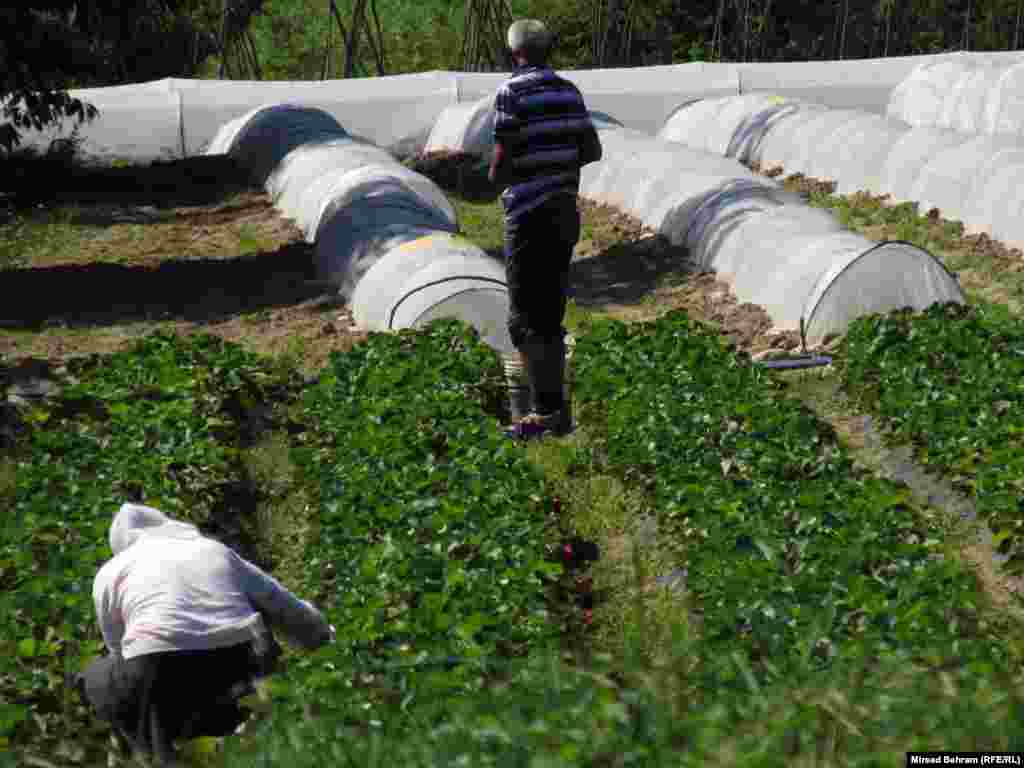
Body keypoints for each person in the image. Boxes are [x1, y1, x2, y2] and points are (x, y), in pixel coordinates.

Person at [75, 502, 334, 765]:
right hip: (239, 658)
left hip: (156, 669)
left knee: (94, 677)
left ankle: (152, 750)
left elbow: (119, 650)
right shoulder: (213, 550)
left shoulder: (109, 573)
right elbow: (278, 601)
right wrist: (323, 640)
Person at [489, 18, 603, 440]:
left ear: (514, 52)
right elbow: (592, 148)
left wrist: (492, 178)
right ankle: (555, 409)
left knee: (524, 314)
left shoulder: (511, 92)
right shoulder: (568, 91)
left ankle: (541, 411)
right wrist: (559, 162)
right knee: (551, 310)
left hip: (528, 214)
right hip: (562, 211)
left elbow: (501, 161)